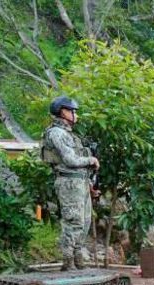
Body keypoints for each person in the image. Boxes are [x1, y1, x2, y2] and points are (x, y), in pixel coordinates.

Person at [40, 96, 98, 271]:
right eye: (72, 111)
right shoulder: (56, 133)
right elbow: (70, 159)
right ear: (63, 112)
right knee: (73, 221)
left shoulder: (69, 135)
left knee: (85, 221)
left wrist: (90, 186)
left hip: (79, 182)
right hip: (68, 182)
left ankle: (78, 259)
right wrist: (91, 159)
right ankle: (68, 261)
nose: (75, 115)